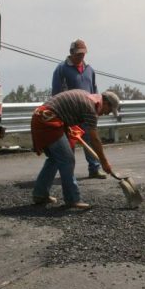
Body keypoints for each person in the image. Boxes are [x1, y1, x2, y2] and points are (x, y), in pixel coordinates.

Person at [31, 89, 120, 209]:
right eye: (109, 110)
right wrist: (104, 162)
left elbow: (65, 110)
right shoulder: (91, 108)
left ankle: (40, 194)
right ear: (106, 103)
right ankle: (72, 199)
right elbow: (95, 139)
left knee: (54, 159)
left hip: (41, 117)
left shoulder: (87, 97)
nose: (107, 113)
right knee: (67, 160)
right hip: (49, 121)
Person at [51, 39, 107, 179]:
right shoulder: (62, 69)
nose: (81, 56)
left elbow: (94, 91)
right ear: (71, 53)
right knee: (69, 144)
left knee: (90, 139)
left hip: (87, 112)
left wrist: (96, 108)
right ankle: (69, 173)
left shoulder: (89, 70)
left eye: (83, 54)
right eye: (78, 54)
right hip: (69, 114)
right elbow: (56, 92)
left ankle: (94, 168)